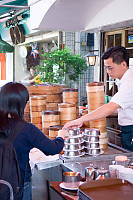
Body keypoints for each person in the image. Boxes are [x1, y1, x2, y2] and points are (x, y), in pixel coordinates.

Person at [0, 82, 69, 200]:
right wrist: (61, 136)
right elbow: (53, 149)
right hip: (20, 186)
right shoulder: (27, 129)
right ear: (21, 104)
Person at [63, 46, 133, 152]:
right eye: (106, 68)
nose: (108, 71)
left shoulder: (129, 83)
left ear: (123, 64)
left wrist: (81, 120)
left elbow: (110, 107)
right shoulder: (121, 80)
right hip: (126, 129)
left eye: (110, 68)